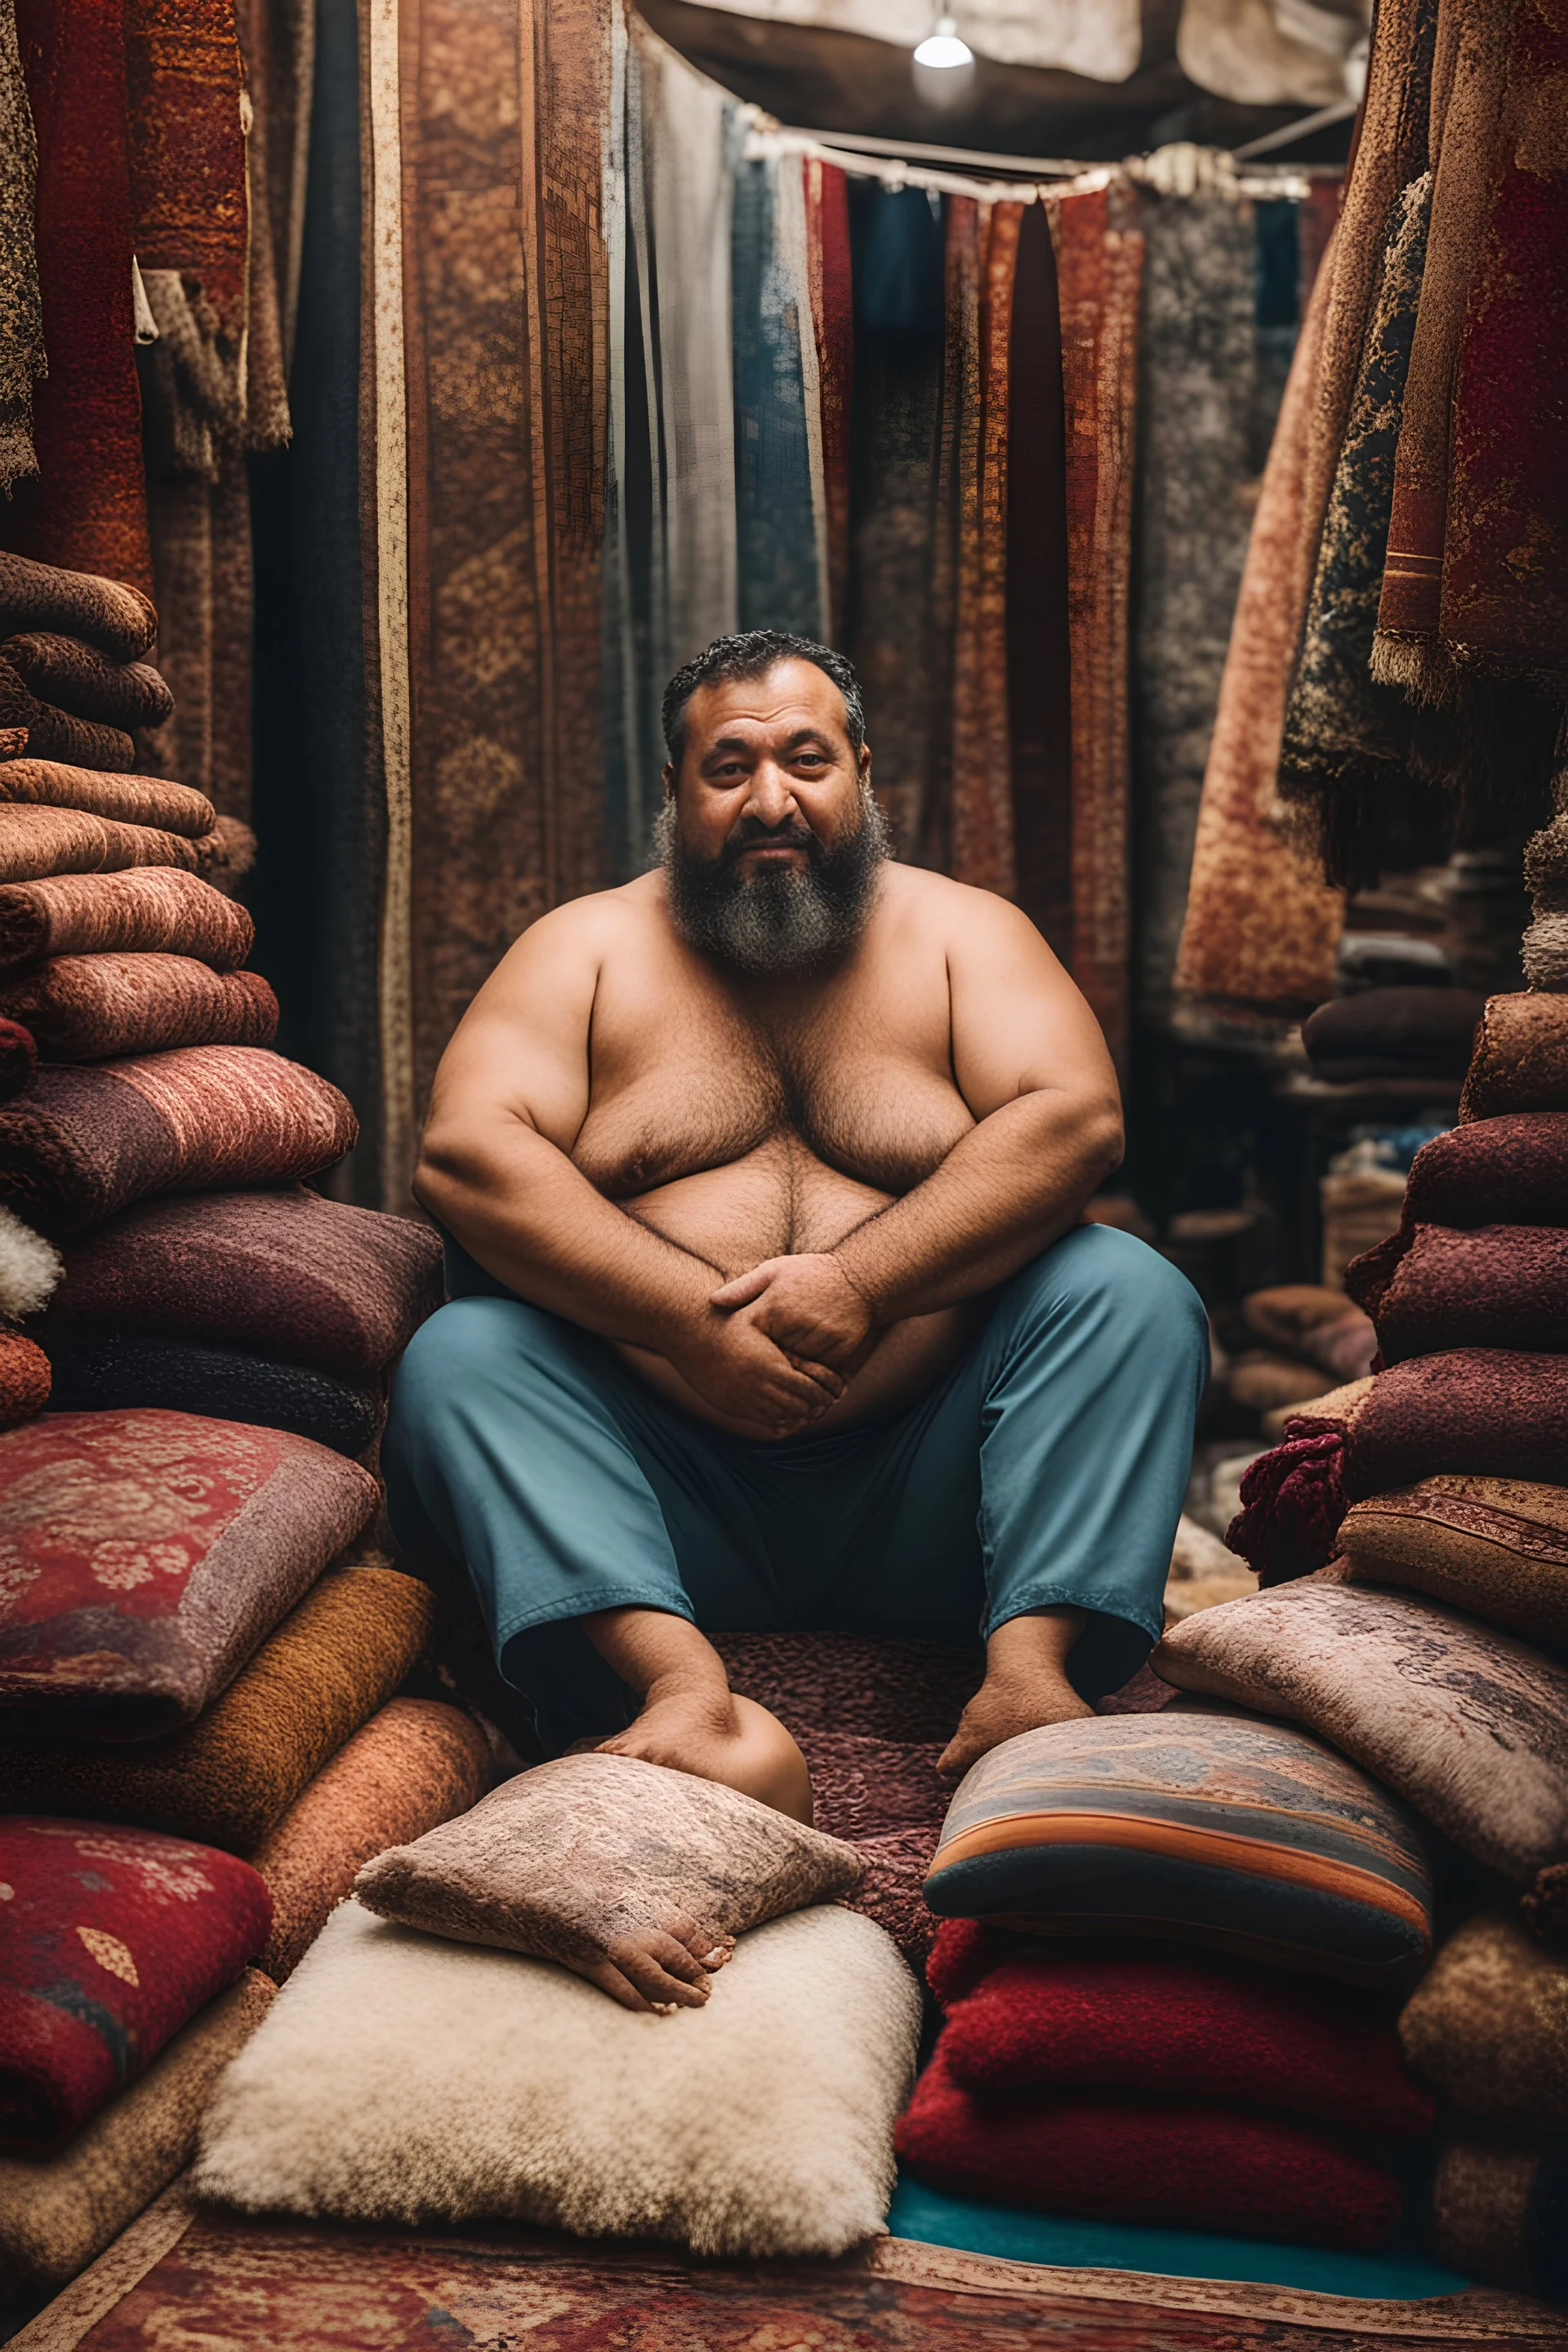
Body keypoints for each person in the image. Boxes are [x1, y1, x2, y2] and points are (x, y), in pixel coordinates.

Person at [385, 630, 1206, 2002]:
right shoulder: (584, 951)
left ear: (863, 776)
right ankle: (678, 1687)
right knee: (464, 1349)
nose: (771, 798)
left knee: (1126, 1288)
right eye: (730, 766)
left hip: (935, 1494)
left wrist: (862, 1280)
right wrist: (686, 1321)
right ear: (676, 790)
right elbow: (470, 1158)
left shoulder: (962, 937)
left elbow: (1073, 1120)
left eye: (805, 758)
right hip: (669, 1500)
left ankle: (1029, 1672)